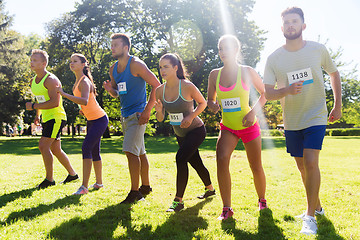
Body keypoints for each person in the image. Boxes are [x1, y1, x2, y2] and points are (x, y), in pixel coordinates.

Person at [263, 7, 342, 235]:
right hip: (292, 120)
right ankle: (317, 207)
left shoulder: (318, 50)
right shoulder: (274, 58)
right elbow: (268, 92)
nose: (290, 25)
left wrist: (337, 105)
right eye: (286, 22)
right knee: (301, 166)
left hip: (316, 115)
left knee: (310, 162)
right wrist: (286, 90)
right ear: (281, 28)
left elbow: (334, 73)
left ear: (303, 26)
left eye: (294, 21)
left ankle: (309, 217)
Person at [207, 35, 267, 220]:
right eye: (220, 48)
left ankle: (262, 200)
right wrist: (212, 105)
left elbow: (265, 94)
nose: (223, 52)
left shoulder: (247, 71)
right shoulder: (214, 74)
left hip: (248, 125)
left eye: (226, 48)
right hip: (228, 127)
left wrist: (253, 113)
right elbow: (210, 99)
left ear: (235, 50)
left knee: (255, 166)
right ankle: (227, 208)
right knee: (222, 159)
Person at [103, 33, 161, 204]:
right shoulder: (113, 69)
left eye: (116, 45)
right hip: (125, 115)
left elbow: (156, 85)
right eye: (111, 45)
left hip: (138, 114)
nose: (112, 48)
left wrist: (147, 110)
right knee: (140, 152)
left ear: (126, 47)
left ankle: (135, 192)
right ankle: (146, 186)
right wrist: (109, 90)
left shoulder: (136, 64)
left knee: (130, 152)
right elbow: (117, 93)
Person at [155, 53, 216, 212]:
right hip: (180, 134)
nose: (162, 70)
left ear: (176, 68)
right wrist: (158, 111)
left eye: (166, 66)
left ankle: (178, 201)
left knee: (180, 158)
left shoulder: (187, 86)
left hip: (196, 130)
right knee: (195, 161)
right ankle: (210, 189)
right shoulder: (159, 91)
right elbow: (161, 119)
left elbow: (202, 103)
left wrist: (191, 116)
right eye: (161, 67)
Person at [25, 49, 78, 189]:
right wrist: (37, 114)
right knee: (56, 149)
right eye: (31, 60)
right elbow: (41, 99)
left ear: (43, 63)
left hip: (57, 117)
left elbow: (54, 102)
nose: (31, 62)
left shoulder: (51, 80)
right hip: (47, 118)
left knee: (43, 146)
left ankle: (49, 179)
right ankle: (72, 175)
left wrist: (34, 106)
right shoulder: (33, 81)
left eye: (35, 60)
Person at [56, 53, 109, 195]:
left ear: (83, 64)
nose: (71, 63)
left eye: (75, 61)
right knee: (94, 151)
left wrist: (63, 94)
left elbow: (84, 100)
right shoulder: (79, 80)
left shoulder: (84, 81)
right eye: (70, 61)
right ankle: (98, 183)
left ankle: (84, 187)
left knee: (86, 147)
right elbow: (85, 103)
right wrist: (83, 111)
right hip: (92, 120)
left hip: (99, 119)